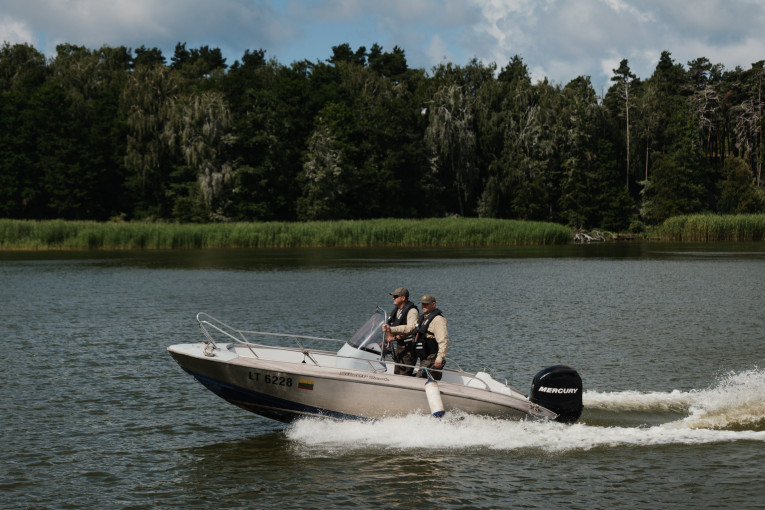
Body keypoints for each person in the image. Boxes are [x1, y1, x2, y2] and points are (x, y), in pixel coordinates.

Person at [381, 287, 419, 375]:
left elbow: (410, 329)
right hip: (399, 347)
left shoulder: (412, 311)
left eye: (396, 296)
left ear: (403, 298)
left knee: (404, 376)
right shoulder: (398, 310)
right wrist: (385, 340)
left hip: (409, 349)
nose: (393, 298)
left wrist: (391, 331)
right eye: (393, 296)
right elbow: (391, 325)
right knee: (396, 374)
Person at [412, 294, 449, 380]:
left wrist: (440, 358)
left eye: (426, 304)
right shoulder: (423, 318)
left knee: (420, 379)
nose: (423, 306)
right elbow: (410, 328)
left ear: (433, 304)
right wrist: (391, 329)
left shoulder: (438, 320)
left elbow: (444, 340)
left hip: (432, 358)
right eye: (422, 304)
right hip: (424, 357)